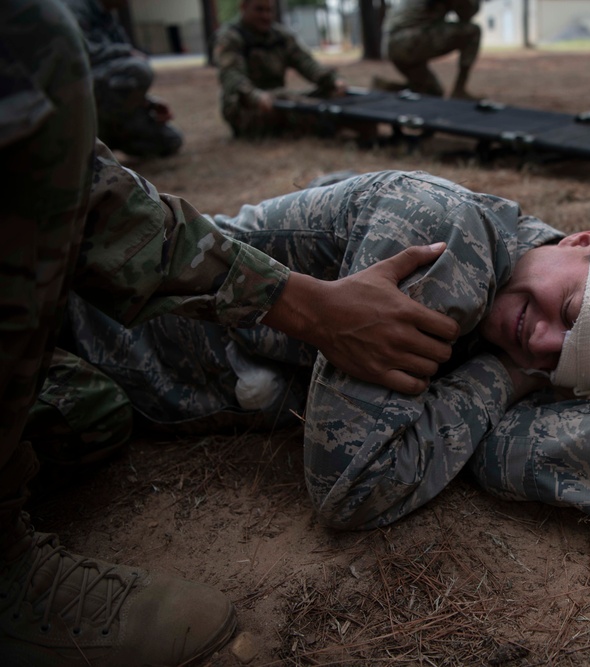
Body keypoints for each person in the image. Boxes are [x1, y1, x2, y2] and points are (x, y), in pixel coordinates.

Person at [50, 171, 590, 534]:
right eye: (571, 307)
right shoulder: (445, 238)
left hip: (120, 386)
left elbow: (510, 449)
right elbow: (353, 485)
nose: (541, 339)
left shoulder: (522, 320)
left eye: (571, 354)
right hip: (73, 324)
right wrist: (503, 377)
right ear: (586, 238)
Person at [0, 2, 459, 665]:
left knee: (88, 412)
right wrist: (311, 310)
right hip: (249, 120)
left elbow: (95, 201)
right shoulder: (228, 41)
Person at [62, 0, 184, 157]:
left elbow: (113, 81)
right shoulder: (74, 8)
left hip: (106, 103)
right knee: (137, 71)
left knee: (170, 140)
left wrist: (147, 102)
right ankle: (95, 137)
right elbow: (83, 55)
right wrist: (127, 52)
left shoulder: (107, 16)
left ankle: (111, 135)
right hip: (81, 101)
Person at [214, 0, 347, 137]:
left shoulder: (280, 36)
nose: (265, 16)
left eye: (269, 10)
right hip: (246, 108)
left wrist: (332, 80)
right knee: (289, 100)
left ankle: (342, 119)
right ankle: (343, 123)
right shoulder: (230, 37)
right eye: (259, 10)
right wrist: (255, 96)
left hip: (279, 101)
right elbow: (232, 76)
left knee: (330, 92)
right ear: (243, 7)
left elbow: (306, 63)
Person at [380, 0, 482, 99]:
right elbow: (466, 14)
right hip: (408, 40)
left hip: (393, 45)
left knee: (433, 91)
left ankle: (389, 90)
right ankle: (459, 90)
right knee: (473, 31)